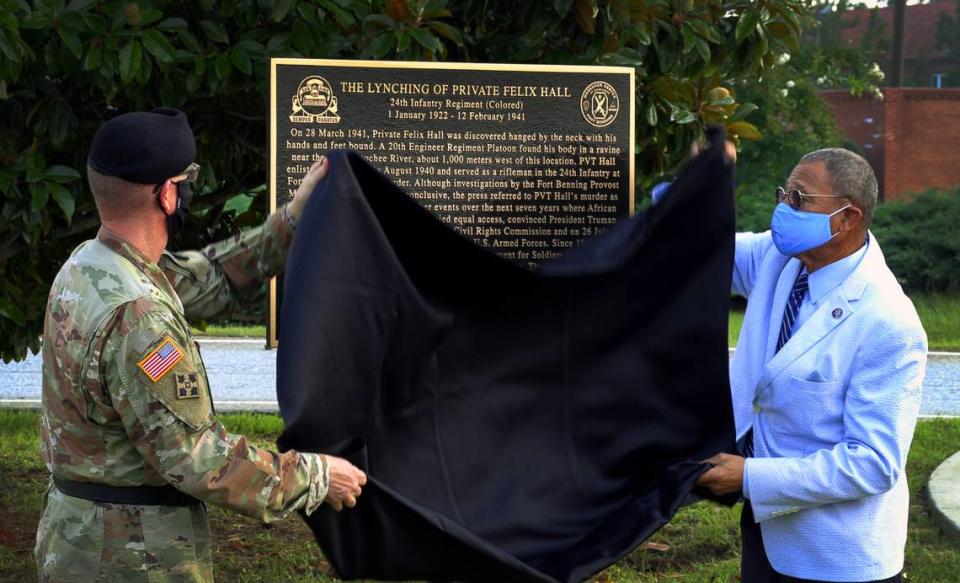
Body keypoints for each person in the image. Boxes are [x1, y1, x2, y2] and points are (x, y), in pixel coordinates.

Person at [35, 107, 367, 581]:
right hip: (131, 556)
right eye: (186, 178)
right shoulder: (139, 318)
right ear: (168, 194)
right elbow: (197, 459)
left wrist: (292, 219)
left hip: (80, 538)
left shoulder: (91, 265)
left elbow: (212, 276)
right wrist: (315, 478)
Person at [695, 147, 927, 583]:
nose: (784, 209)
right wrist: (699, 188)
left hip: (838, 557)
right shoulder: (780, 259)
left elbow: (872, 464)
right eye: (784, 194)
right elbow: (702, 250)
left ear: (847, 218)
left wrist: (750, 478)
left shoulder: (888, 322)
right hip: (770, 535)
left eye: (800, 200)